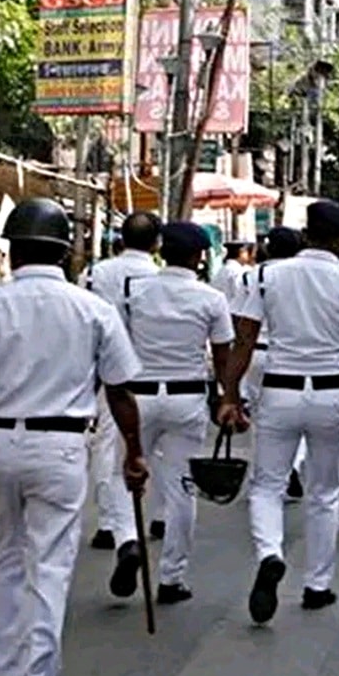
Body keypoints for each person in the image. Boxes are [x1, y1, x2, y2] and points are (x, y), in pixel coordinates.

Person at [0, 197, 147, 676]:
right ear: (66, 250)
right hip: (60, 445)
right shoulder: (93, 309)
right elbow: (120, 391)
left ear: (14, 248)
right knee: (48, 568)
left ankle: (0, 672)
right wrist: (134, 451)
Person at [218, 200, 339, 625]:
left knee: (266, 486)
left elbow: (243, 342)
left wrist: (229, 395)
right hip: (332, 395)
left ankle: (271, 553)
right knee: (324, 492)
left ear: (305, 233)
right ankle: (317, 585)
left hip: (279, 391)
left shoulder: (264, 276)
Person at [110, 221, 234, 604]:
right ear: (200, 257)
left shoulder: (133, 292)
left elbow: (117, 345)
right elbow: (223, 354)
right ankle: (171, 577)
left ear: (162, 250)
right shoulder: (211, 299)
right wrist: (229, 399)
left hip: (138, 396)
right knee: (183, 488)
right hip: (187, 398)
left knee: (121, 473)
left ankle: (128, 540)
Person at [83, 211, 161, 554]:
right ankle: (155, 515)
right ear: (157, 243)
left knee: (105, 443)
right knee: (147, 445)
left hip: (103, 366)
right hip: (147, 369)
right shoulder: (158, 278)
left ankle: (109, 523)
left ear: (119, 239)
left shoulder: (94, 274)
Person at [238, 226, 308, 500]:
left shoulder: (251, 277)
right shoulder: (305, 278)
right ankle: (291, 465)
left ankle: (265, 471)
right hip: (290, 355)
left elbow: (240, 322)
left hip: (256, 353)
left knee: (259, 419)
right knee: (296, 418)